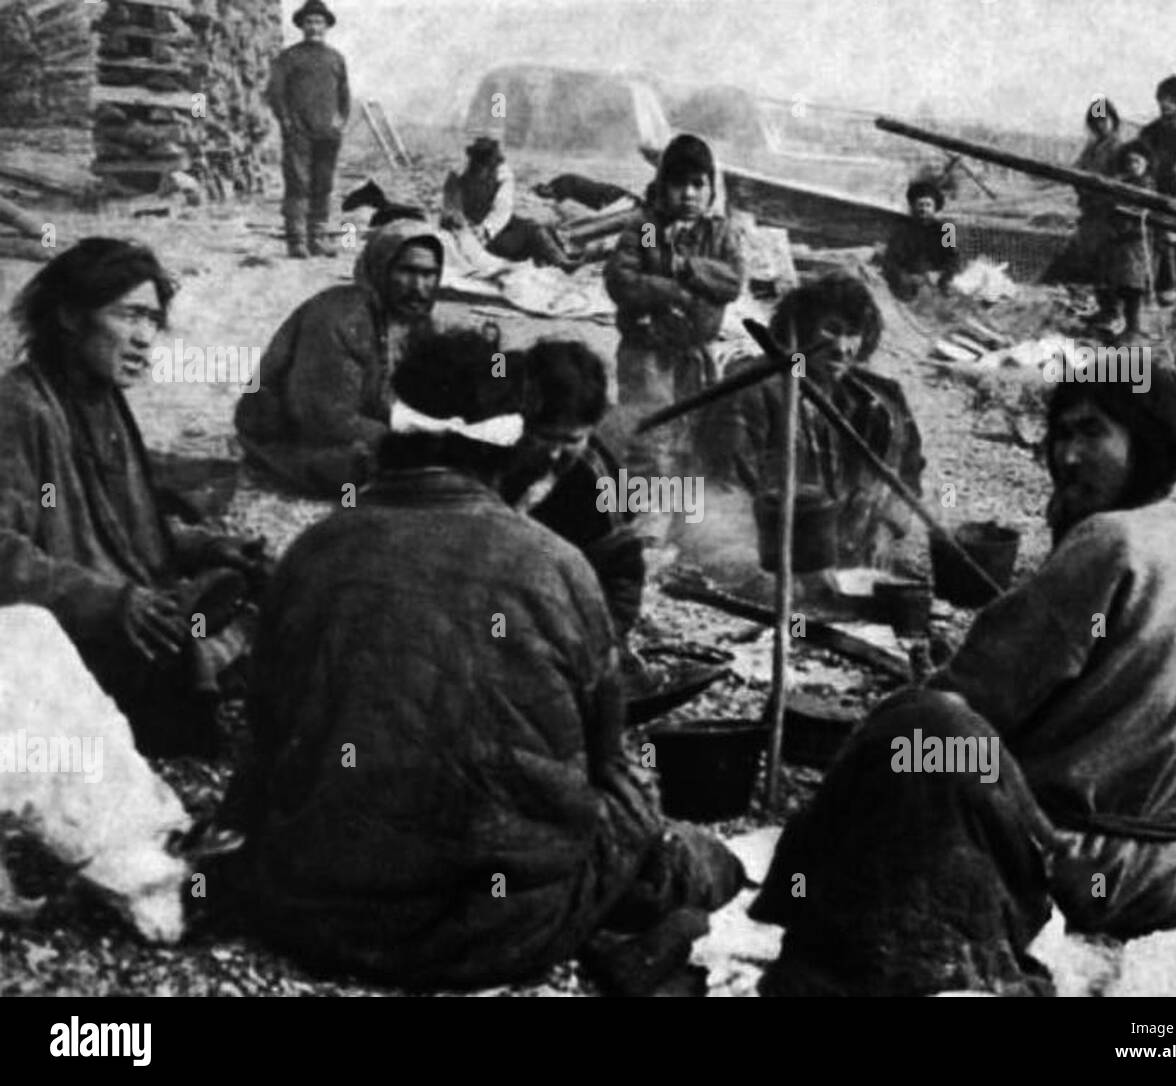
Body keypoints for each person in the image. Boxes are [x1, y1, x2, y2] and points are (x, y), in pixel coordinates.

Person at [226, 333, 742, 994]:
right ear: (512, 441)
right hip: (500, 930)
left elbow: (263, 743)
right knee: (687, 852)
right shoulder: (557, 567)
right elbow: (604, 760)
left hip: (311, 910)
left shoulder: (312, 552)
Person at [749, 367, 1176, 996]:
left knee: (914, 726)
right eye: (1059, 435)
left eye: (1092, 432)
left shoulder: (1111, 542)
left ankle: (793, 901)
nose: (1068, 456)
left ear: (1145, 439)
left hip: (1098, 867)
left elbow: (972, 696)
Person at [0, 239, 267, 757]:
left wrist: (206, 546)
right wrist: (106, 604)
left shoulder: (102, 401)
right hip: (61, 634)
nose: (145, 338)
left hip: (123, 606)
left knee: (276, 593)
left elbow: (125, 523)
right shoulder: (20, 409)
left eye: (153, 320)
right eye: (130, 316)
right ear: (70, 316)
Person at [695, 273, 924, 568]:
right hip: (773, 555)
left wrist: (887, 527)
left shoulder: (881, 400)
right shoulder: (751, 393)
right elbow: (722, 493)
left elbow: (908, 475)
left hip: (850, 560)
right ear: (803, 331)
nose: (842, 347)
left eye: (853, 333)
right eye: (831, 330)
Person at [234, 219, 446, 496]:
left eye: (429, 274)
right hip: (292, 436)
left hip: (363, 422)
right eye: (406, 271)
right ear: (381, 269)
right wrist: (419, 439)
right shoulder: (339, 318)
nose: (419, 286)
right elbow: (326, 419)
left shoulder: (414, 318)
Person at [604, 133, 745, 484]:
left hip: (696, 353)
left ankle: (680, 516)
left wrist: (687, 269)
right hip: (648, 351)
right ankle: (642, 517)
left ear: (712, 188)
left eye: (698, 184)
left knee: (692, 432)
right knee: (649, 431)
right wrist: (674, 293)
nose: (689, 194)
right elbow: (623, 279)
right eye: (678, 184)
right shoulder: (648, 227)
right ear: (662, 186)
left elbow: (732, 281)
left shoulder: (719, 234)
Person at [499, 339, 646, 643]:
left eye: (570, 440)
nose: (554, 454)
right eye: (545, 437)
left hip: (551, 608)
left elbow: (622, 583)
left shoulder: (608, 485)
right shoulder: (490, 448)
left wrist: (598, 645)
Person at [268, 0, 350, 259]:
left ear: (326, 26)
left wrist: (340, 121)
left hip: (328, 135)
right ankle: (297, 241)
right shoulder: (289, 57)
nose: (314, 27)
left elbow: (345, 96)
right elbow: (275, 92)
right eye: (309, 22)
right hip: (299, 134)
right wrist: (286, 121)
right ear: (302, 26)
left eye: (319, 22)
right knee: (298, 185)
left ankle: (318, 238)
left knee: (323, 185)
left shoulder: (336, 58)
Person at [441, 137, 576, 268]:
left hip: (494, 226)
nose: (481, 172)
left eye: (486, 167)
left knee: (539, 229)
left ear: (492, 166)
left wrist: (485, 231)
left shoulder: (503, 175)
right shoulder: (457, 175)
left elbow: (501, 209)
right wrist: (463, 227)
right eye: (477, 166)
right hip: (468, 229)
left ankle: (561, 261)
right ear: (472, 162)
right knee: (534, 233)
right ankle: (558, 262)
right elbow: (452, 206)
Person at [1139, 75, 1176, 305]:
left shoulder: (1174, 132)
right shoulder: (1152, 128)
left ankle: (1166, 288)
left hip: (1163, 187)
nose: (1165, 103)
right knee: (1144, 233)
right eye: (1163, 98)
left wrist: (1147, 168)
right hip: (1147, 183)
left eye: (1171, 100)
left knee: (1161, 236)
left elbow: (1164, 163)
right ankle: (1145, 285)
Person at [1074, 97, 1124, 329]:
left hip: (1107, 212)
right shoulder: (1091, 147)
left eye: (1105, 120)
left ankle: (1114, 312)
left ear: (1113, 120)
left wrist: (1101, 190)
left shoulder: (1118, 148)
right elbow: (1077, 170)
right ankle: (1104, 310)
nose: (1101, 125)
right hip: (1090, 210)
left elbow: (1121, 179)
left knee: (1108, 263)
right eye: (1097, 122)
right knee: (1092, 261)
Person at [1104, 139, 1157, 340]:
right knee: (1120, 284)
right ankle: (1123, 323)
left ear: (1146, 163)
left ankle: (1133, 328)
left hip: (1137, 239)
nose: (1133, 166)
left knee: (1133, 286)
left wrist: (1124, 210)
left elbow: (1143, 209)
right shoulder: (1125, 182)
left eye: (1137, 162)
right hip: (1121, 239)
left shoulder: (1147, 184)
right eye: (1129, 162)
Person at [880, 179, 961, 302]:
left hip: (937, 279)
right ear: (913, 207)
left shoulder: (946, 230)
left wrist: (941, 275)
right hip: (910, 280)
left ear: (935, 208)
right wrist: (906, 277)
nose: (924, 209)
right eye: (920, 205)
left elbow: (953, 258)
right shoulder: (903, 230)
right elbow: (891, 259)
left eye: (928, 205)